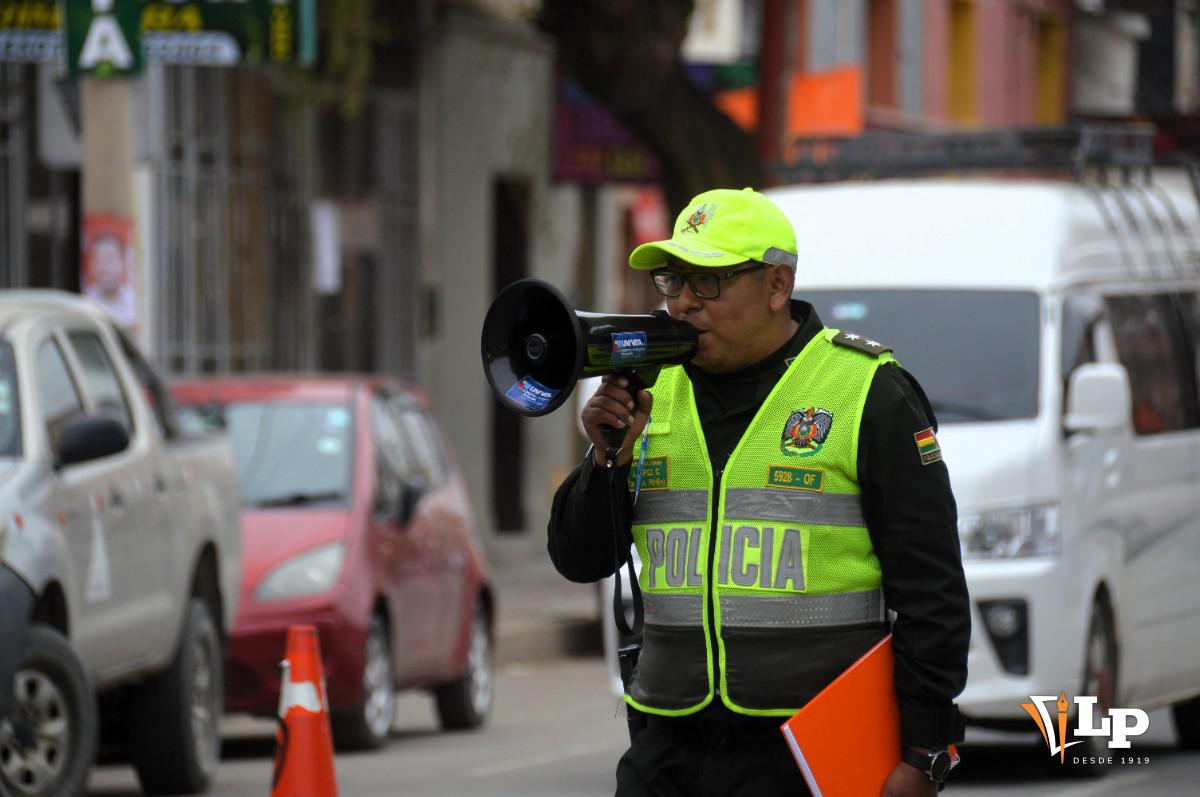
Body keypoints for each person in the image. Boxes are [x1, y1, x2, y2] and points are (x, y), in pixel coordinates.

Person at [547, 187, 970, 797]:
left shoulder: (867, 393)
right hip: (668, 746)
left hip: (806, 751)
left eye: (710, 282)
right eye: (673, 281)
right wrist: (607, 459)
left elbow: (933, 591)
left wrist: (926, 750)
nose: (684, 303)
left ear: (778, 285)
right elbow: (579, 559)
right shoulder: (647, 392)